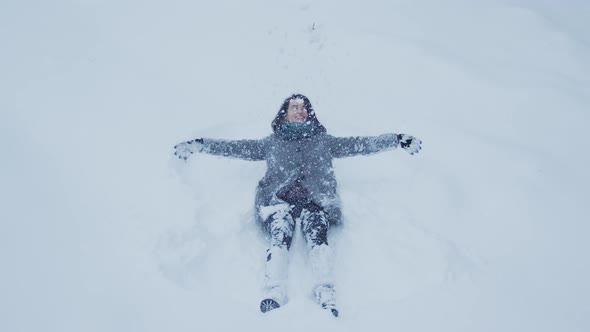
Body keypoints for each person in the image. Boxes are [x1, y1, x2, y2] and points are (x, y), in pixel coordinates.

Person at [173, 94, 422, 317]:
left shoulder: (324, 141)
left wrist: (396, 140)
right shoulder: (271, 143)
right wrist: (200, 145)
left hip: (316, 203)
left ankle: (325, 291)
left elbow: (362, 144)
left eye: (305, 107)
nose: (300, 110)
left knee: (318, 236)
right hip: (278, 202)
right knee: (279, 234)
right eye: (295, 107)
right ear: (284, 112)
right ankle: (273, 291)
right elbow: (236, 148)